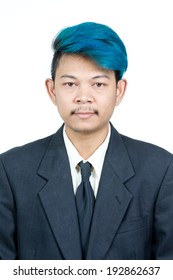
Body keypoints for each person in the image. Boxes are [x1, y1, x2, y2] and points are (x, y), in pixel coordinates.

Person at [0, 22, 173, 260]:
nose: (83, 97)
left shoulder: (160, 169)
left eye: (98, 84)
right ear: (52, 90)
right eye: (70, 84)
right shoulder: (10, 170)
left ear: (119, 90)